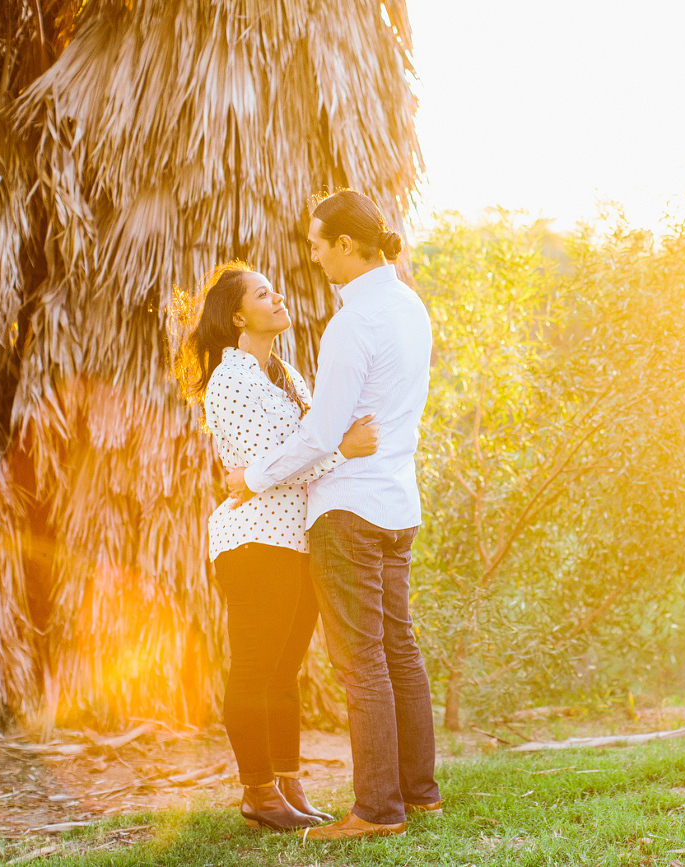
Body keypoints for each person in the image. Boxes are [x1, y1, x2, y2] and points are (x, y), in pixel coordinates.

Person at [226, 189, 442, 841]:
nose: (314, 256)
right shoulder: (410, 306)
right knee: (399, 647)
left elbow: (322, 433)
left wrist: (249, 477)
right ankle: (418, 792)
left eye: (319, 243)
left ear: (347, 245)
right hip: (398, 502)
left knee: (362, 661)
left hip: (348, 507)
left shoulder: (353, 322)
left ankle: (376, 809)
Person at [178, 261, 380, 831]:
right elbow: (271, 469)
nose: (278, 297)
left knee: (284, 670)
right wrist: (347, 448)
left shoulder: (283, 373)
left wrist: (337, 442)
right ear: (239, 315)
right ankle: (258, 792)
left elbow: (293, 455)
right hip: (254, 541)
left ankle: (288, 786)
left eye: (274, 289)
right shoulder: (232, 379)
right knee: (255, 668)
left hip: (294, 537)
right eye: (264, 294)